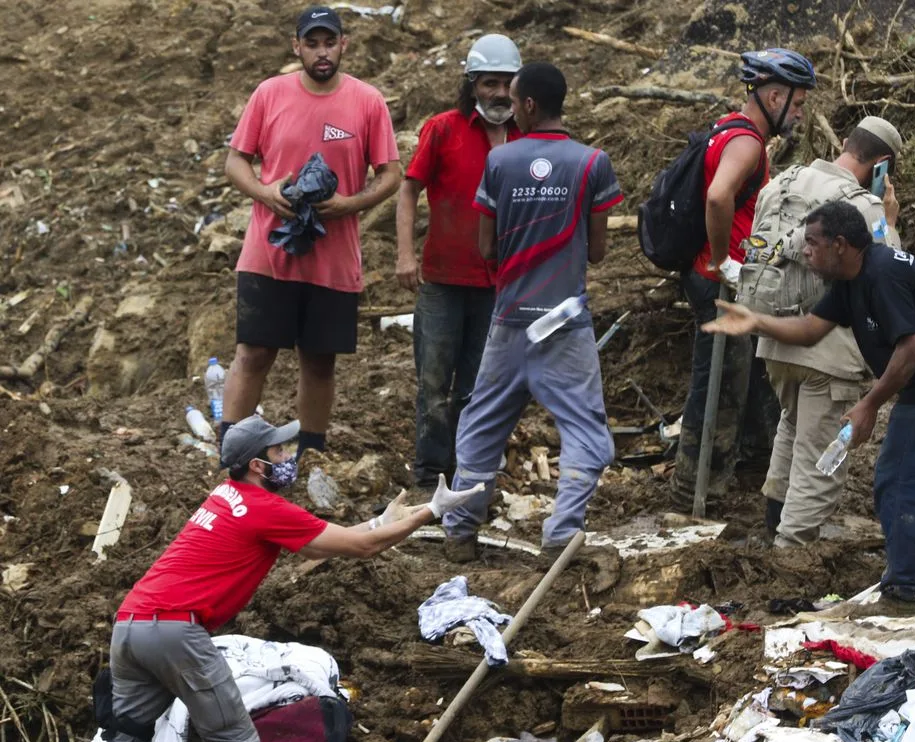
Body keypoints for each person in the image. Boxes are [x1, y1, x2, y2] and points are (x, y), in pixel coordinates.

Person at [100, 415, 482, 742]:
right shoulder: (266, 508)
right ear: (256, 465)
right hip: (174, 632)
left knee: (128, 737)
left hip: (130, 625)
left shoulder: (224, 495)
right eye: (279, 451)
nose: (288, 455)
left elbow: (321, 545)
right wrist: (431, 510)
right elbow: (363, 548)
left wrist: (382, 520)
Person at [704, 201, 915, 616]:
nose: (804, 251)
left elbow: (911, 349)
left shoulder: (882, 275)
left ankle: (904, 592)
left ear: (839, 245)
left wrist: (868, 405)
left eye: (812, 242)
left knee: (898, 481)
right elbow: (810, 331)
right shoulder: (851, 280)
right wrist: (756, 322)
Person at [441, 62, 623, 562]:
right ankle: (562, 533)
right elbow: (599, 251)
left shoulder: (501, 161)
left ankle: (459, 531)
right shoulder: (592, 163)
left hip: (509, 318)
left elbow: (486, 246)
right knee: (585, 429)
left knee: (482, 424)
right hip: (565, 323)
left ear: (528, 106)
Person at [220, 6, 401, 459]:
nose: (322, 52)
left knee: (319, 361)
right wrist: (266, 192)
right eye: (312, 43)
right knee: (255, 352)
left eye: (329, 42)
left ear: (344, 45)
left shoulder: (367, 101)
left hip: (334, 260)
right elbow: (235, 161)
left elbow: (391, 173)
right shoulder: (269, 94)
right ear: (296, 47)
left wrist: (348, 205)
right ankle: (230, 454)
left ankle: (309, 455)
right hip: (269, 252)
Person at [670, 48, 817, 508]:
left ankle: (754, 464)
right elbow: (717, 197)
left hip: (727, 277)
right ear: (773, 95)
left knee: (751, 374)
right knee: (720, 383)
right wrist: (721, 262)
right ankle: (696, 489)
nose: (800, 111)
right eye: (797, 103)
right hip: (719, 281)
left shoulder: (731, 128)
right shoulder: (747, 143)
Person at [751, 117, 903, 546]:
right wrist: (888, 220)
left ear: (843, 143)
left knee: (793, 428)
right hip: (829, 352)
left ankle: (772, 527)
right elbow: (889, 272)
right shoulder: (865, 207)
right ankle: (789, 559)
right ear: (883, 165)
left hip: (775, 338)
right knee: (820, 462)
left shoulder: (781, 183)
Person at [396, 34, 523, 489]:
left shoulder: (526, 137)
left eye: (508, 83)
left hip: (499, 285)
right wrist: (405, 253)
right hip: (444, 280)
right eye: (490, 83)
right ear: (471, 84)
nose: (500, 94)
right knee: (433, 383)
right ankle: (430, 473)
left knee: (479, 384)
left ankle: (470, 472)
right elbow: (409, 189)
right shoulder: (444, 129)